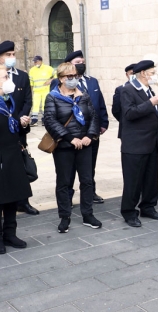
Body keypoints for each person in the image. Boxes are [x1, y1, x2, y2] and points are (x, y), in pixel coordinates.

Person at [44, 63, 102, 233]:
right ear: (61, 78)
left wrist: (89, 135)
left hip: (84, 144)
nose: (73, 79)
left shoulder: (83, 95)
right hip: (64, 146)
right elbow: (50, 120)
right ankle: (64, 217)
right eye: (69, 76)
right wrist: (70, 138)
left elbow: (93, 117)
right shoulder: (53, 97)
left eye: (75, 76)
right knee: (64, 182)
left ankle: (88, 214)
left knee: (87, 180)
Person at [51, 50, 109, 204]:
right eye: (77, 62)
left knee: (89, 167)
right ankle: (68, 196)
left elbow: (99, 104)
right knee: (68, 171)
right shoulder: (58, 84)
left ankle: (90, 194)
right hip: (69, 135)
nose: (81, 65)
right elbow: (53, 115)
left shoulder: (92, 81)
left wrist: (103, 123)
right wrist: (68, 136)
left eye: (82, 62)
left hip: (90, 133)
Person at [120, 60, 158, 227]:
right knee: (133, 181)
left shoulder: (149, 90)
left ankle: (148, 207)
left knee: (151, 179)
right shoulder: (128, 90)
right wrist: (150, 103)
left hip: (151, 143)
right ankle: (129, 212)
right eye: (152, 73)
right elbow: (129, 113)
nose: (154, 76)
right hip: (136, 145)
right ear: (143, 73)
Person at [0, 41, 38, 215]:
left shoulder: (22, 76)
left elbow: (27, 100)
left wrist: (22, 118)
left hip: (18, 130)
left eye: (13, 54)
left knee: (20, 166)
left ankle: (23, 201)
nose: (12, 57)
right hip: (4, 130)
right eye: (8, 55)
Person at [0, 64, 31, 254]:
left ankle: (10, 233)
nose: (8, 80)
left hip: (12, 153)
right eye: (4, 78)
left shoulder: (8, 101)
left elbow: (13, 126)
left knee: (12, 196)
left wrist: (22, 123)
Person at [28, 55, 55, 126]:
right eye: (34, 62)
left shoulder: (48, 68)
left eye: (36, 61)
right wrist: (30, 92)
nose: (35, 63)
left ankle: (44, 119)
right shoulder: (32, 70)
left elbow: (56, 75)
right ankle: (34, 119)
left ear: (41, 61)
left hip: (46, 90)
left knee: (44, 105)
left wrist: (50, 80)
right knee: (35, 105)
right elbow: (31, 82)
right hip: (36, 91)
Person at [112, 63, 135, 139]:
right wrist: (124, 120)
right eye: (132, 73)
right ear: (127, 75)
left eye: (136, 73)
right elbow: (116, 110)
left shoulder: (146, 88)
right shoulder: (120, 89)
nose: (134, 75)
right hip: (127, 128)